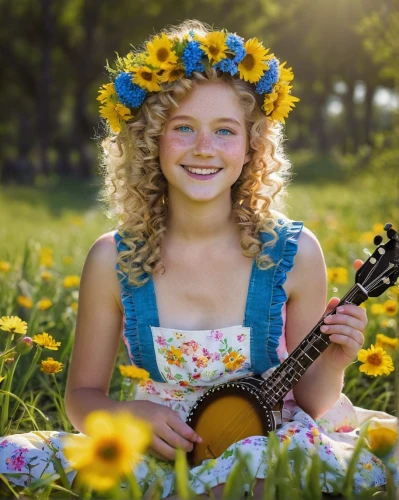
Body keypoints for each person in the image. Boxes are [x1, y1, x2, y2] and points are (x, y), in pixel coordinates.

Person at [0, 20, 397, 498]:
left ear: (252, 146)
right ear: (151, 140)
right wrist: (131, 415)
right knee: (15, 458)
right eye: (182, 127)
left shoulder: (293, 254)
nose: (204, 148)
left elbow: (314, 400)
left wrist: (333, 363)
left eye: (225, 131)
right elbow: (82, 398)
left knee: (254, 471)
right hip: (161, 443)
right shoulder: (114, 259)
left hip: (266, 438)